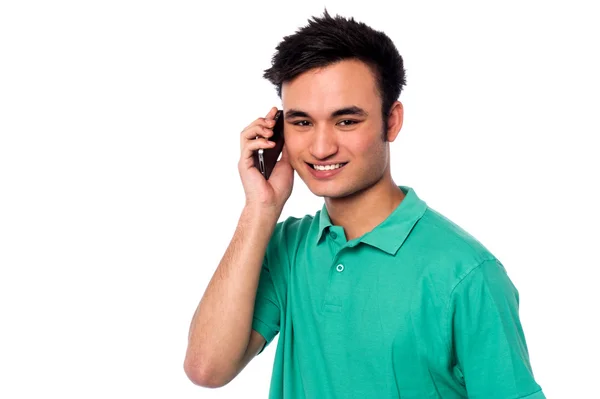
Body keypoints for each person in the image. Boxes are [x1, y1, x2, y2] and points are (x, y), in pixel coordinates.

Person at [184, 10, 545, 399]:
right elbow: (207, 368)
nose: (321, 147)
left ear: (391, 121)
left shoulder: (468, 274)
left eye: (346, 121)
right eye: (302, 122)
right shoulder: (287, 249)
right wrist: (260, 207)